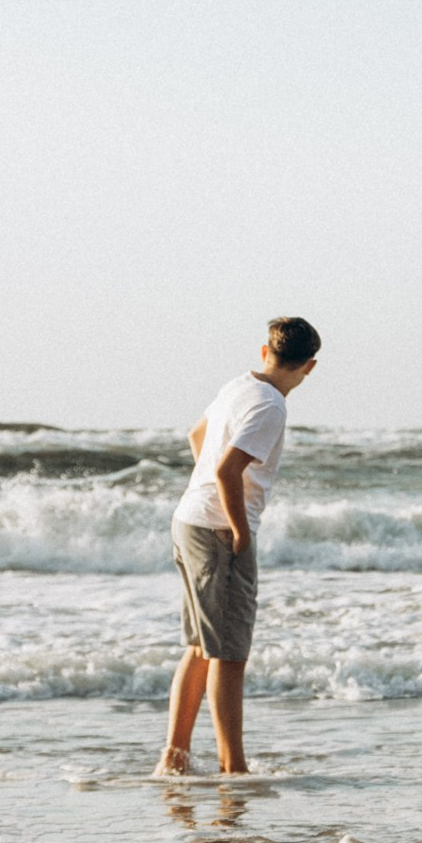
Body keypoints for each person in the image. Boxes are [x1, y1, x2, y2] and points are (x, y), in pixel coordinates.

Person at [157, 317, 321, 776]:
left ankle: (175, 756)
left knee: (200, 647)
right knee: (229, 654)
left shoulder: (238, 386)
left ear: (266, 352)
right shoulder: (271, 406)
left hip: (189, 520)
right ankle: (233, 767)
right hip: (216, 531)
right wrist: (241, 531)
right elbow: (227, 471)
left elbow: (197, 436)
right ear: (309, 366)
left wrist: (211, 498)